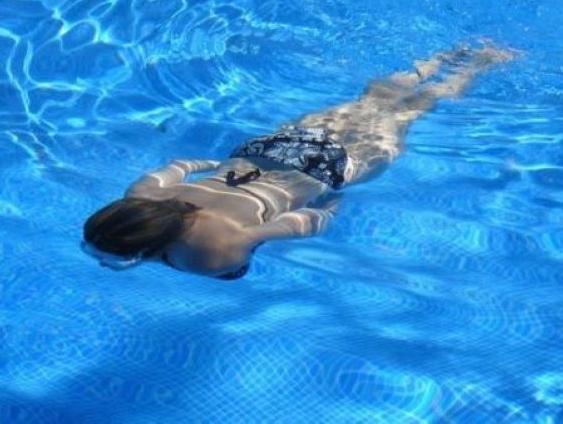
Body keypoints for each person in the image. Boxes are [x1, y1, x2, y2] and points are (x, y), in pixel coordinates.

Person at [82, 45, 514, 279]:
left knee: (412, 110)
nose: (103, 262)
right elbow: (180, 163)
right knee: (374, 98)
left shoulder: (210, 254)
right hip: (266, 149)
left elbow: (297, 224)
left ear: (145, 249)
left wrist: (329, 209)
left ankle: (481, 62)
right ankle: (441, 55)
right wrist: (213, 162)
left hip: (324, 168)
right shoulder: (142, 193)